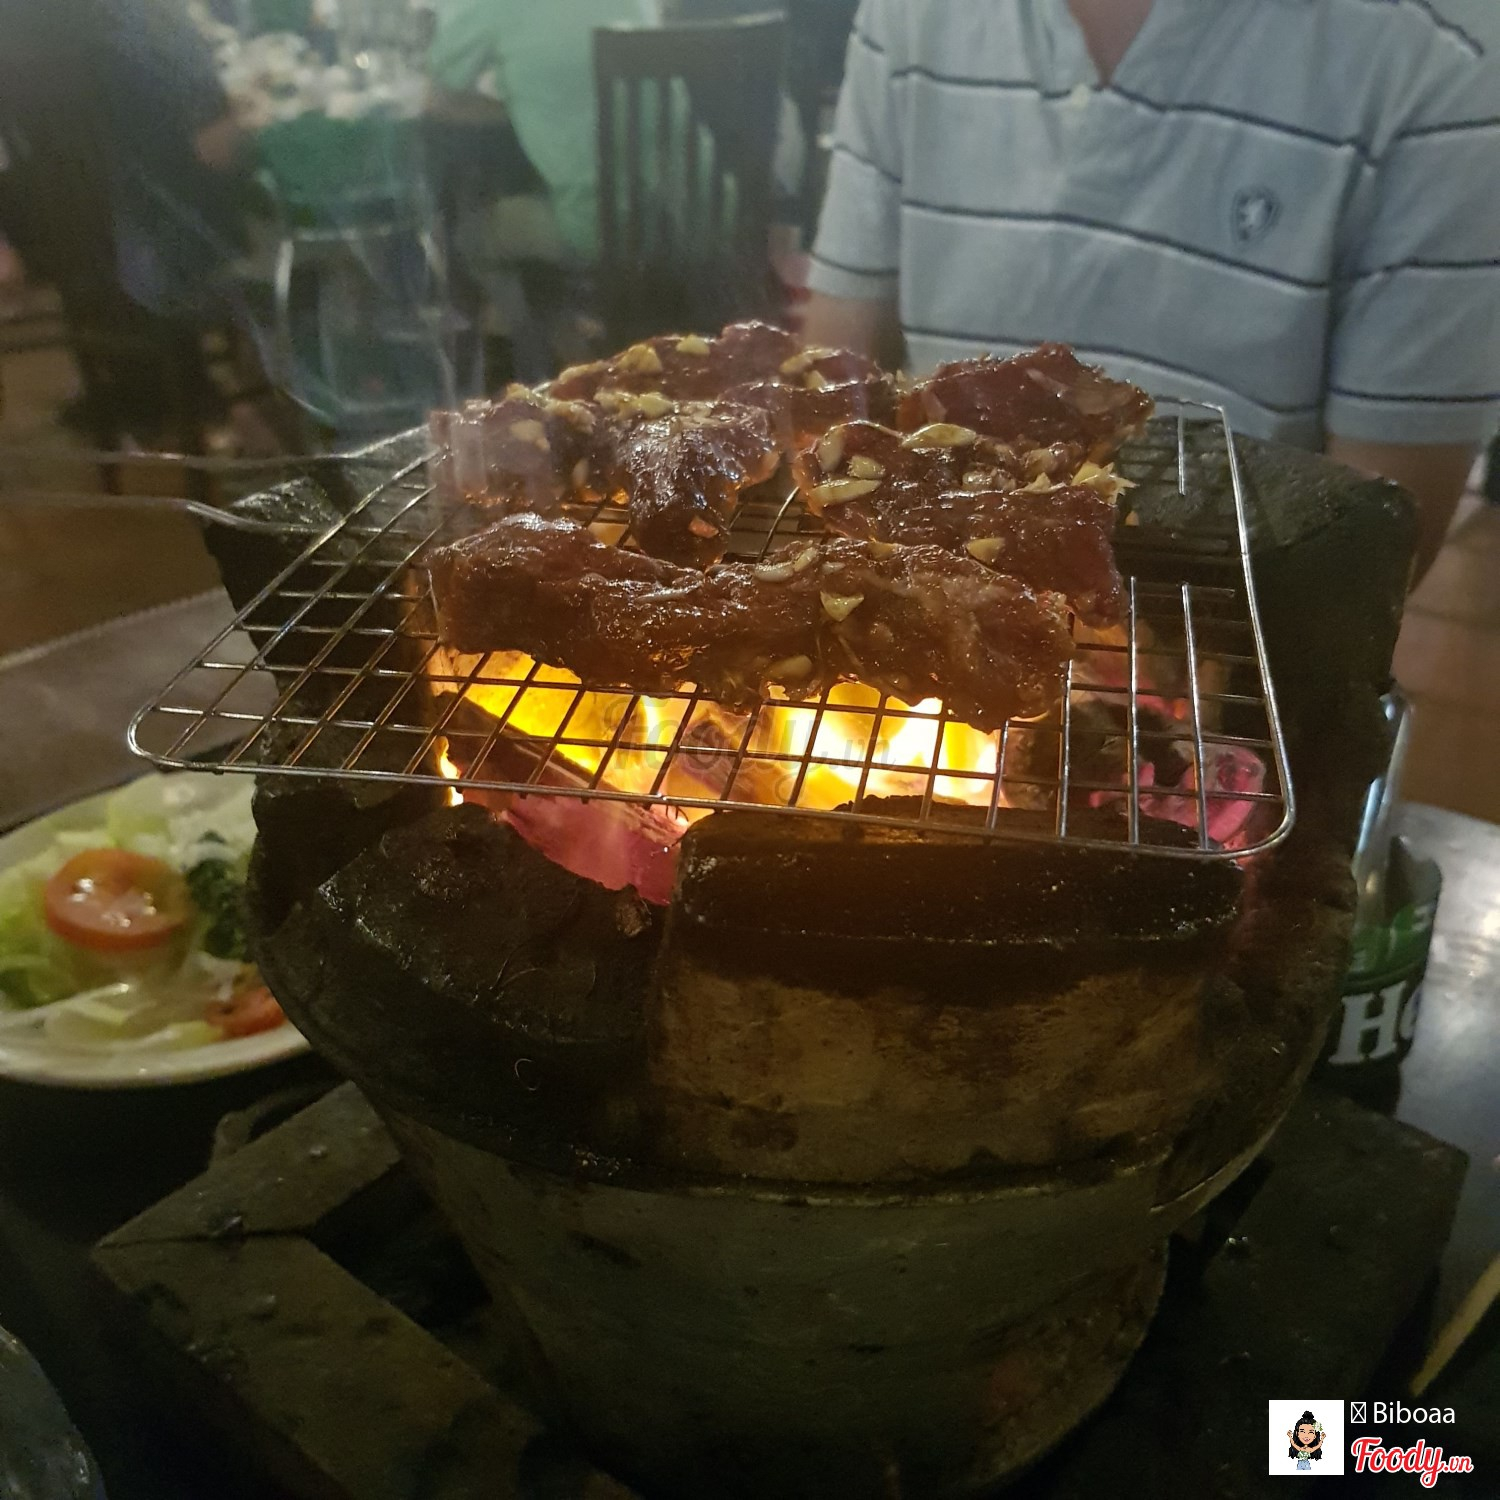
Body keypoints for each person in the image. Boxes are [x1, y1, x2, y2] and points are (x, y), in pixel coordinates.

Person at [802, 0, 1500, 578]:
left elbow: (1375, 552)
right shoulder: (907, 14)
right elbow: (835, 377)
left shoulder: (1441, 53)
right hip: (930, 583)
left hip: (1229, 631)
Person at [427, 0, 663, 266]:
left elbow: (439, 98)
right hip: (691, 218)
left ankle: (531, 294)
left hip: (597, 228)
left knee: (463, 233)